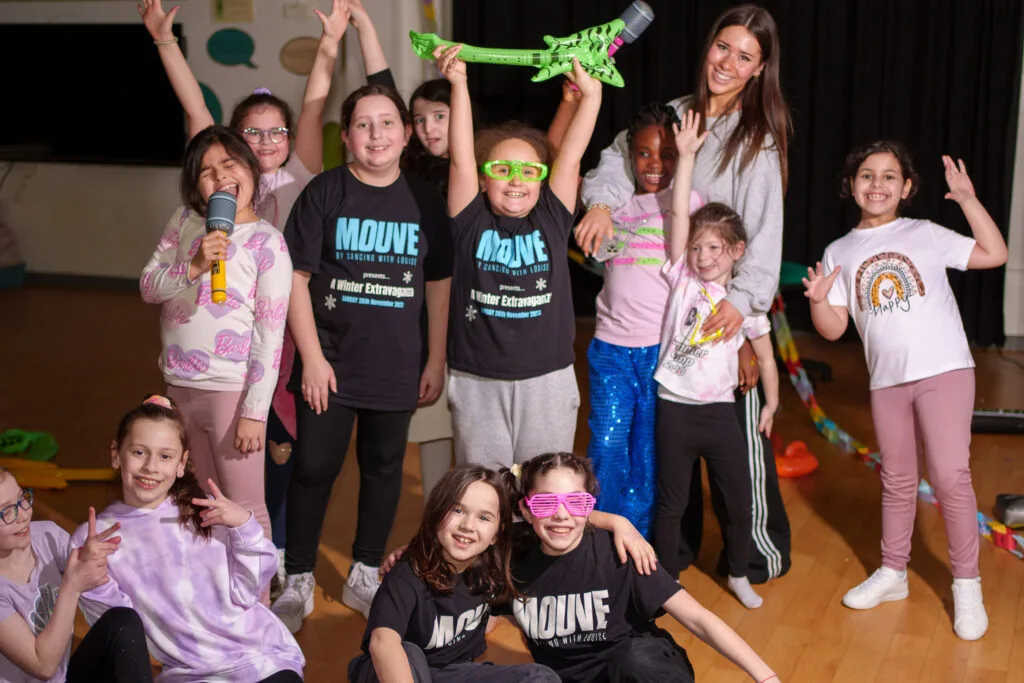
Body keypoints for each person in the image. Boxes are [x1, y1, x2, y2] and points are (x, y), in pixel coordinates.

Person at [576, 3, 792, 584]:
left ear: (759, 68)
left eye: (744, 56)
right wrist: (599, 202)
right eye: (723, 47)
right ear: (709, 47)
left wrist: (743, 316)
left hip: (721, 317)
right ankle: (672, 551)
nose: (728, 62)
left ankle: (757, 555)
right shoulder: (672, 114)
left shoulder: (758, 143)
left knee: (735, 453)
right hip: (664, 316)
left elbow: (764, 243)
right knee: (669, 445)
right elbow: (617, 168)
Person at [140, 0, 349, 583]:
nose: (263, 141)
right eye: (248, 133)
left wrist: (329, 44)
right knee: (219, 466)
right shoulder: (209, 191)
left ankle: (269, 557)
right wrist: (165, 42)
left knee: (270, 448)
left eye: (273, 132)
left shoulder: (294, 177)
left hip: (276, 329)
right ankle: (237, 564)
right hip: (214, 338)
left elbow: (314, 103)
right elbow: (193, 108)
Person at [804, 141, 1007, 641]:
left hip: (945, 371)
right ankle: (893, 573)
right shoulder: (840, 250)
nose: (877, 184)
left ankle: (966, 586)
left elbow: (994, 253)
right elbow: (833, 329)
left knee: (949, 475)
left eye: (889, 176)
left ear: (907, 187)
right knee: (897, 478)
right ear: (852, 186)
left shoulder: (924, 234)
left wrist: (967, 200)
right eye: (867, 175)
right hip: (887, 381)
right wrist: (816, 300)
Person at [274, 82, 453, 630]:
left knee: (382, 471)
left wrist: (435, 359)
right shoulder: (324, 193)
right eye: (362, 124)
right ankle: (300, 576)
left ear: (404, 135)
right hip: (329, 362)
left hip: (397, 364)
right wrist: (314, 359)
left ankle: (365, 572)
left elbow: (439, 285)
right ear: (346, 135)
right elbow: (294, 281)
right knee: (314, 468)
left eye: (387, 123)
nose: (375, 134)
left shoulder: (426, 198)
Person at [435, 44, 601, 469]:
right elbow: (459, 159)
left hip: (547, 379)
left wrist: (592, 95)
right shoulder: (469, 220)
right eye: (501, 170)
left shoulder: (551, 216)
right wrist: (458, 84)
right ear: (484, 179)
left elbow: (572, 156)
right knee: (484, 486)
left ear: (542, 181)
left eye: (529, 172)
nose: (515, 180)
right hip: (477, 379)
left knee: (542, 484)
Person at [140, 126, 293, 568]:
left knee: (244, 509)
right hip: (180, 387)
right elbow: (150, 286)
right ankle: (217, 597)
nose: (219, 178)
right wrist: (193, 266)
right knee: (202, 504)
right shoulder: (184, 222)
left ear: (251, 168)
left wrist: (254, 411)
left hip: (232, 393)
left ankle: (257, 606)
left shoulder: (268, 241)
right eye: (206, 172)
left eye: (229, 164)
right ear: (194, 183)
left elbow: (270, 335)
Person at [70, 396, 305, 682]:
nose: (151, 467)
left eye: (165, 456)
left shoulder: (204, 512)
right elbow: (120, 629)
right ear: (116, 454)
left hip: (261, 658)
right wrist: (95, 578)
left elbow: (247, 591)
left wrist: (244, 527)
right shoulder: (95, 538)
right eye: (139, 452)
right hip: (192, 675)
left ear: (181, 463)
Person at [503, 452, 780, 683]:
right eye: (545, 503)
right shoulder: (509, 560)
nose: (561, 514)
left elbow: (698, 618)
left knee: (637, 657)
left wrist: (766, 677)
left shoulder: (621, 553)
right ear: (526, 510)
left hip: (635, 672)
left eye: (576, 502)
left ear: (589, 509)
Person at [652, 111, 779, 610]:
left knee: (738, 499)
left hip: (720, 414)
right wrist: (685, 156)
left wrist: (770, 406)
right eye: (698, 248)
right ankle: (664, 582)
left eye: (715, 249)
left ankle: (738, 572)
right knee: (672, 503)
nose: (704, 257)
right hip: (674, 409)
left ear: (737, 252)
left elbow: (767, 360)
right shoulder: (681, 279)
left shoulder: (742, 305)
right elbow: (681, 213)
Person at [347, 0, 457, 501]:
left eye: (442, 115)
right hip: (424, 318)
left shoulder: (483, 169)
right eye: (420, 119)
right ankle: (439, 522)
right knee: (432, 429)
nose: (430, 127)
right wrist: (365, 24)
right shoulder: (409, 169)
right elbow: (382, 90)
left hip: (475, 319)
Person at [583, 102, 705, 539]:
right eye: (644, 154)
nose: (655, 164)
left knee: (648, 453)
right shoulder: (613, 205)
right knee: (607, 445)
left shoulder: (688, 203)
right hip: (610, 350)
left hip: (662, 354)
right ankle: (598, 536)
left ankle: (637, 546)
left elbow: (692, 267)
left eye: (667, 154)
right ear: (629, 155)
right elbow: (596, 252)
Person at [348, 465, 559, 682]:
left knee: (539, 677)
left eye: (484, 518)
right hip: (392, 670)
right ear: (436, 513)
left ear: (497, 534)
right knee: (408, 651)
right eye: (457, 510)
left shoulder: (494, 566)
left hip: (451, 673)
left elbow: (567, 527)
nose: (468, 526)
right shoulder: (407, 573)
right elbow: (383, 642)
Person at [0, 472, 153, 683]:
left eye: (22, 499)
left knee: (123, 622)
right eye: (7, 511)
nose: (24, 515)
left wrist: (92, 560)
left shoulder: (47, 536)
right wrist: (72, 587)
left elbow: (98, 586)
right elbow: (42, 666)